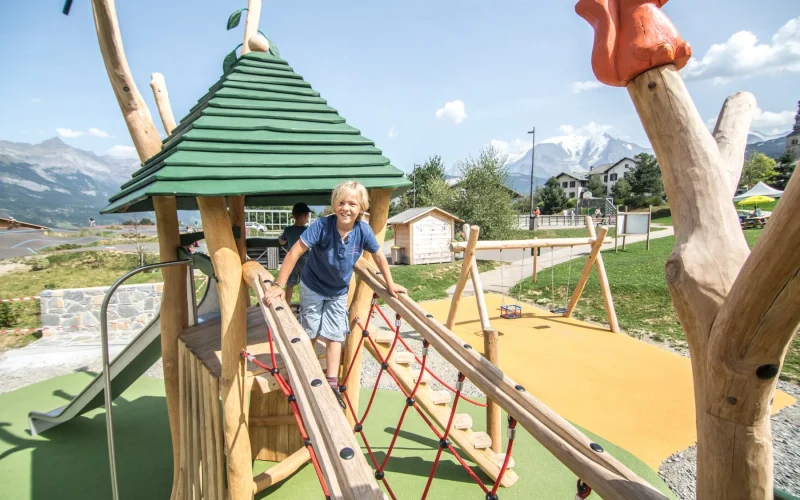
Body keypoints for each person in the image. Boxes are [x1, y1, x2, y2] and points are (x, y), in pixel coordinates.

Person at [264, 181, 407, 408]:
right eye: (341, 202)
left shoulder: (363, 230)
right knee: (309, 329)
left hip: (338, 291)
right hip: (313, 285)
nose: (346, 208)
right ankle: (301, 373)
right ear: (334, 205)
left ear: (361, 208)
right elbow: (294, 252)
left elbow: (380, 257)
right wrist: (279, 286)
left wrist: (390, 284)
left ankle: (332, 383)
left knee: (335, 334)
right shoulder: (322, 225)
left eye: (352, 203)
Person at [278, 202, 312, 304]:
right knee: (305, 284)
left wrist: (281, 238)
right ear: (305, 216)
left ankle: (287, 304)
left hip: (291, 260)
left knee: (290, 284)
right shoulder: (308, 230)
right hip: (305, 260)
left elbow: (282, 241)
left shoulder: (288, 230)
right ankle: (304, 305)